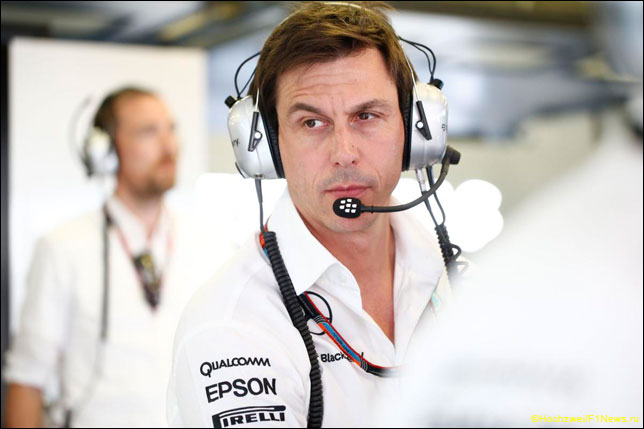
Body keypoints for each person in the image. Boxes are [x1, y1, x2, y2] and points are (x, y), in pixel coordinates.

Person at [167, 2, 454, 427]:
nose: (344, 153)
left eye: (366, 116)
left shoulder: (456, 280)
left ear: (414, 129)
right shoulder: (233, 323)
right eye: (312, 123)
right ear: (269, 146)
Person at [3, 87, 235, 427]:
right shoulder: (62, 247)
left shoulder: (211, 244)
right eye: (148, 132)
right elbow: (27, 378)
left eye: (171, 129)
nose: (169, 145)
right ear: (107, 152)